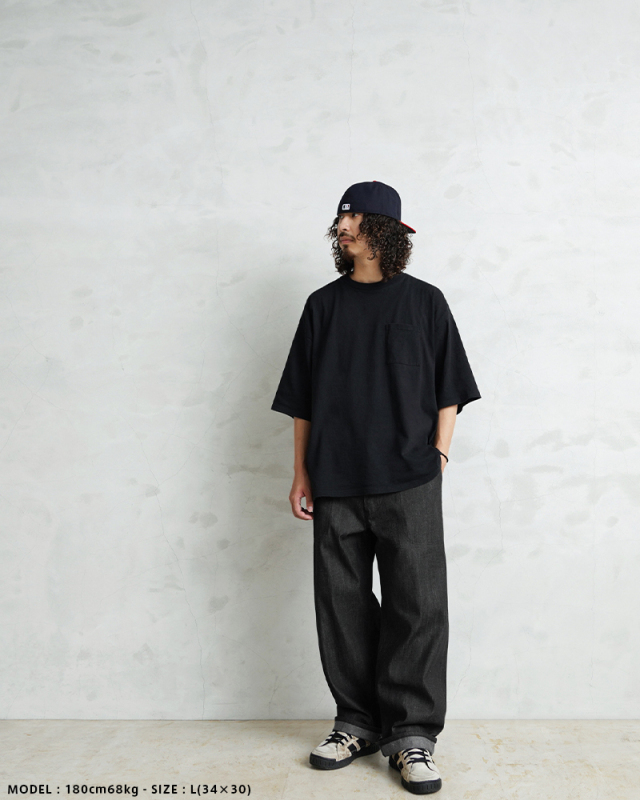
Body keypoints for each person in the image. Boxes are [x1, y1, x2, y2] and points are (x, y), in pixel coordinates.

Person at [270, 180, 481, 795]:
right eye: (340, 219)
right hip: (335, 477)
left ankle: (412, 734)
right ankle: (356, 722)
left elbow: (449, 387)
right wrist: (301, 471)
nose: (342, 228)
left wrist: (440, 451)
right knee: (341, 605)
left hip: (409, 476)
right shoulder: (322, 306)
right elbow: (302, 399)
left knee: (418, 603)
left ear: (384, 230)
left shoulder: (425, 302)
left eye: (355, 219)